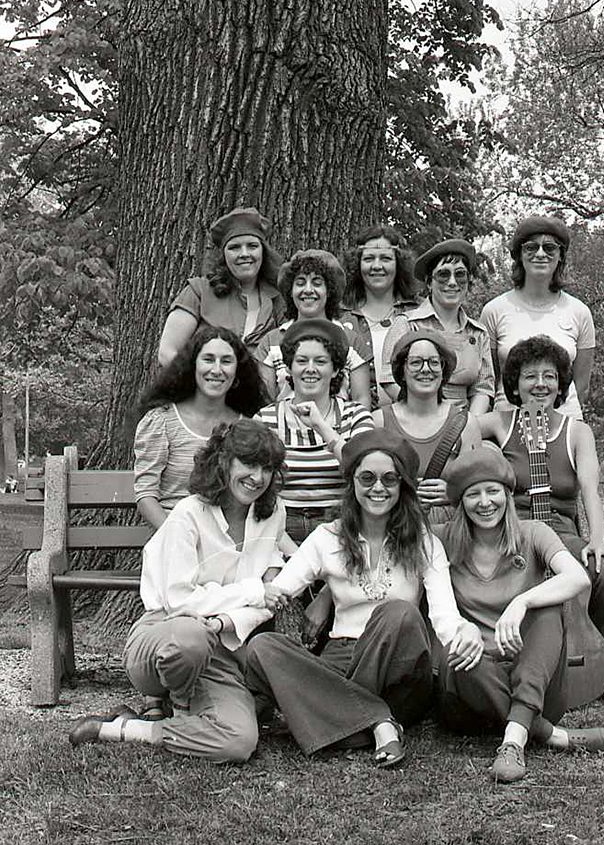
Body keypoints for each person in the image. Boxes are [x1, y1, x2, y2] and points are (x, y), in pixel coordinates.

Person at [244, 430, 479, 767]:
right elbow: (279, 592)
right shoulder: (327, 538)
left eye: (389, 479)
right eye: (367, 477)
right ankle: (379, 723)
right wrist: (225, 618)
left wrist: (464, 632)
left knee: (398, 612)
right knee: (263, 647)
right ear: (352, 482)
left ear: (402, 486)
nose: (378, 488)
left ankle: (333, 714)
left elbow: (444, 616)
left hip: (401, 670)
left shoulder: (424, 542)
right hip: (341, 660)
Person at [69, 420, 291, 762]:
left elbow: (269, 599)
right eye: (248, 464)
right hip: (162, 635)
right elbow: (181, 601)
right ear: (224, 462)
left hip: (221, 648)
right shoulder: (189, 514)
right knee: (191, 633)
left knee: (239, 742)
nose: (257, 477)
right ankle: (175, 702)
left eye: (267, 468)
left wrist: (232, 615)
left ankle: (119, 728)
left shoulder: (273, 512)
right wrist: (254, 590)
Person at [433, 445, 604, 784]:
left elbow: (576, 577)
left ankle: (514, 738)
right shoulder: (441, 540)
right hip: (472, 689)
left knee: (548, 607)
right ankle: (548, 734)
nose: (485, 502)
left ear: (507, 494)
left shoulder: (533, 532)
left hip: (536, 680)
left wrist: (522, 602)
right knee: (453, 652)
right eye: (473, 494)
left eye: (493, 491)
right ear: (460, 502)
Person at [477, 336, 604, 645]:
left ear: (561, 386)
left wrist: (598, 540)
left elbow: (590, 490)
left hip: (561, 534)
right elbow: (451, 430)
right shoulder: (498, 424)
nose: (541, 384)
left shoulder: (577, 432)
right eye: (530, 376)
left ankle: (593, 652)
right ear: (515, 386)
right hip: (511, 533)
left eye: (550, 376)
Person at [134, 324, 270, 530]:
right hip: (174, 535)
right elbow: (146, 496)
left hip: (231, 538)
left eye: (226, 361)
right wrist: (177, 536)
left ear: (237, 372)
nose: (217, 370)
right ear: (192, 366)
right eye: (208, 359)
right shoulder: (161, 421)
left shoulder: (250, 425)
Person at [256, 318, 374, 544]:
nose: (310, 369)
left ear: (336, 369)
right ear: (289, 367)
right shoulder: (265, 419)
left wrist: (321, 425)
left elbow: (365, 469)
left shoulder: (356, 414)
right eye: (301, 361)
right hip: (279, 528)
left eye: (321, 361)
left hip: (341, 525)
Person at [480, 215, 595, 419]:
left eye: (549, 248)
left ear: (561, 255)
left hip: (565, 425)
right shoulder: (494, 310)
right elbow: (489, 378)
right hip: (508, 426)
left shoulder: (580, 312)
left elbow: (581, 385)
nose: (540, 254)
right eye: (531, 247)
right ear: (520, 255)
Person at [372, 327, 481, 522]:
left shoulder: (466, 424)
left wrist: (452, 493)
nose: (425, 369)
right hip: (395, 529)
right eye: (415, 363)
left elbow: (477, 487)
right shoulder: (379, 421)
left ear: (443, 370)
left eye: (433, 362)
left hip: (449, 530)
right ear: (402, 371)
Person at [379, 238, 494, 414]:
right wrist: (430, 417)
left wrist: (470, 424)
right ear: (429, 282)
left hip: (465, 422)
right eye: (443, 274)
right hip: (415, 420)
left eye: (460, 274)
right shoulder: (407, 325)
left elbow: (483, 389)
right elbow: (389, 379)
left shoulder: (478, 333)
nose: (453, 282)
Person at [158, 207, 285, 365]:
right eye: (234, 247)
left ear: (263, 251)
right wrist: (199, 385)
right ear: (223, 255)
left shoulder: (278, 298)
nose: (244, 254)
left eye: (252, 246)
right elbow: (167, 352)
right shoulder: (199, 291)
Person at [254, 249, 370, 407]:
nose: (308, 290)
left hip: (338, 429)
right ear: (290, 291)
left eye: (317, 283)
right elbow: (263, 402)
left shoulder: (351, 340)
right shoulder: (271, 341)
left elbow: (362, 400)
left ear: (329, 291)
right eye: (300, 283)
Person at [340, 225, 420, 408]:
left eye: (385, 258)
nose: (377, 266)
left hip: (412, 421)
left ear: (398, 263)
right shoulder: (340, 316)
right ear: (357, 264)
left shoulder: (418, 312)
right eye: (369, 259)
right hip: (354, 424)